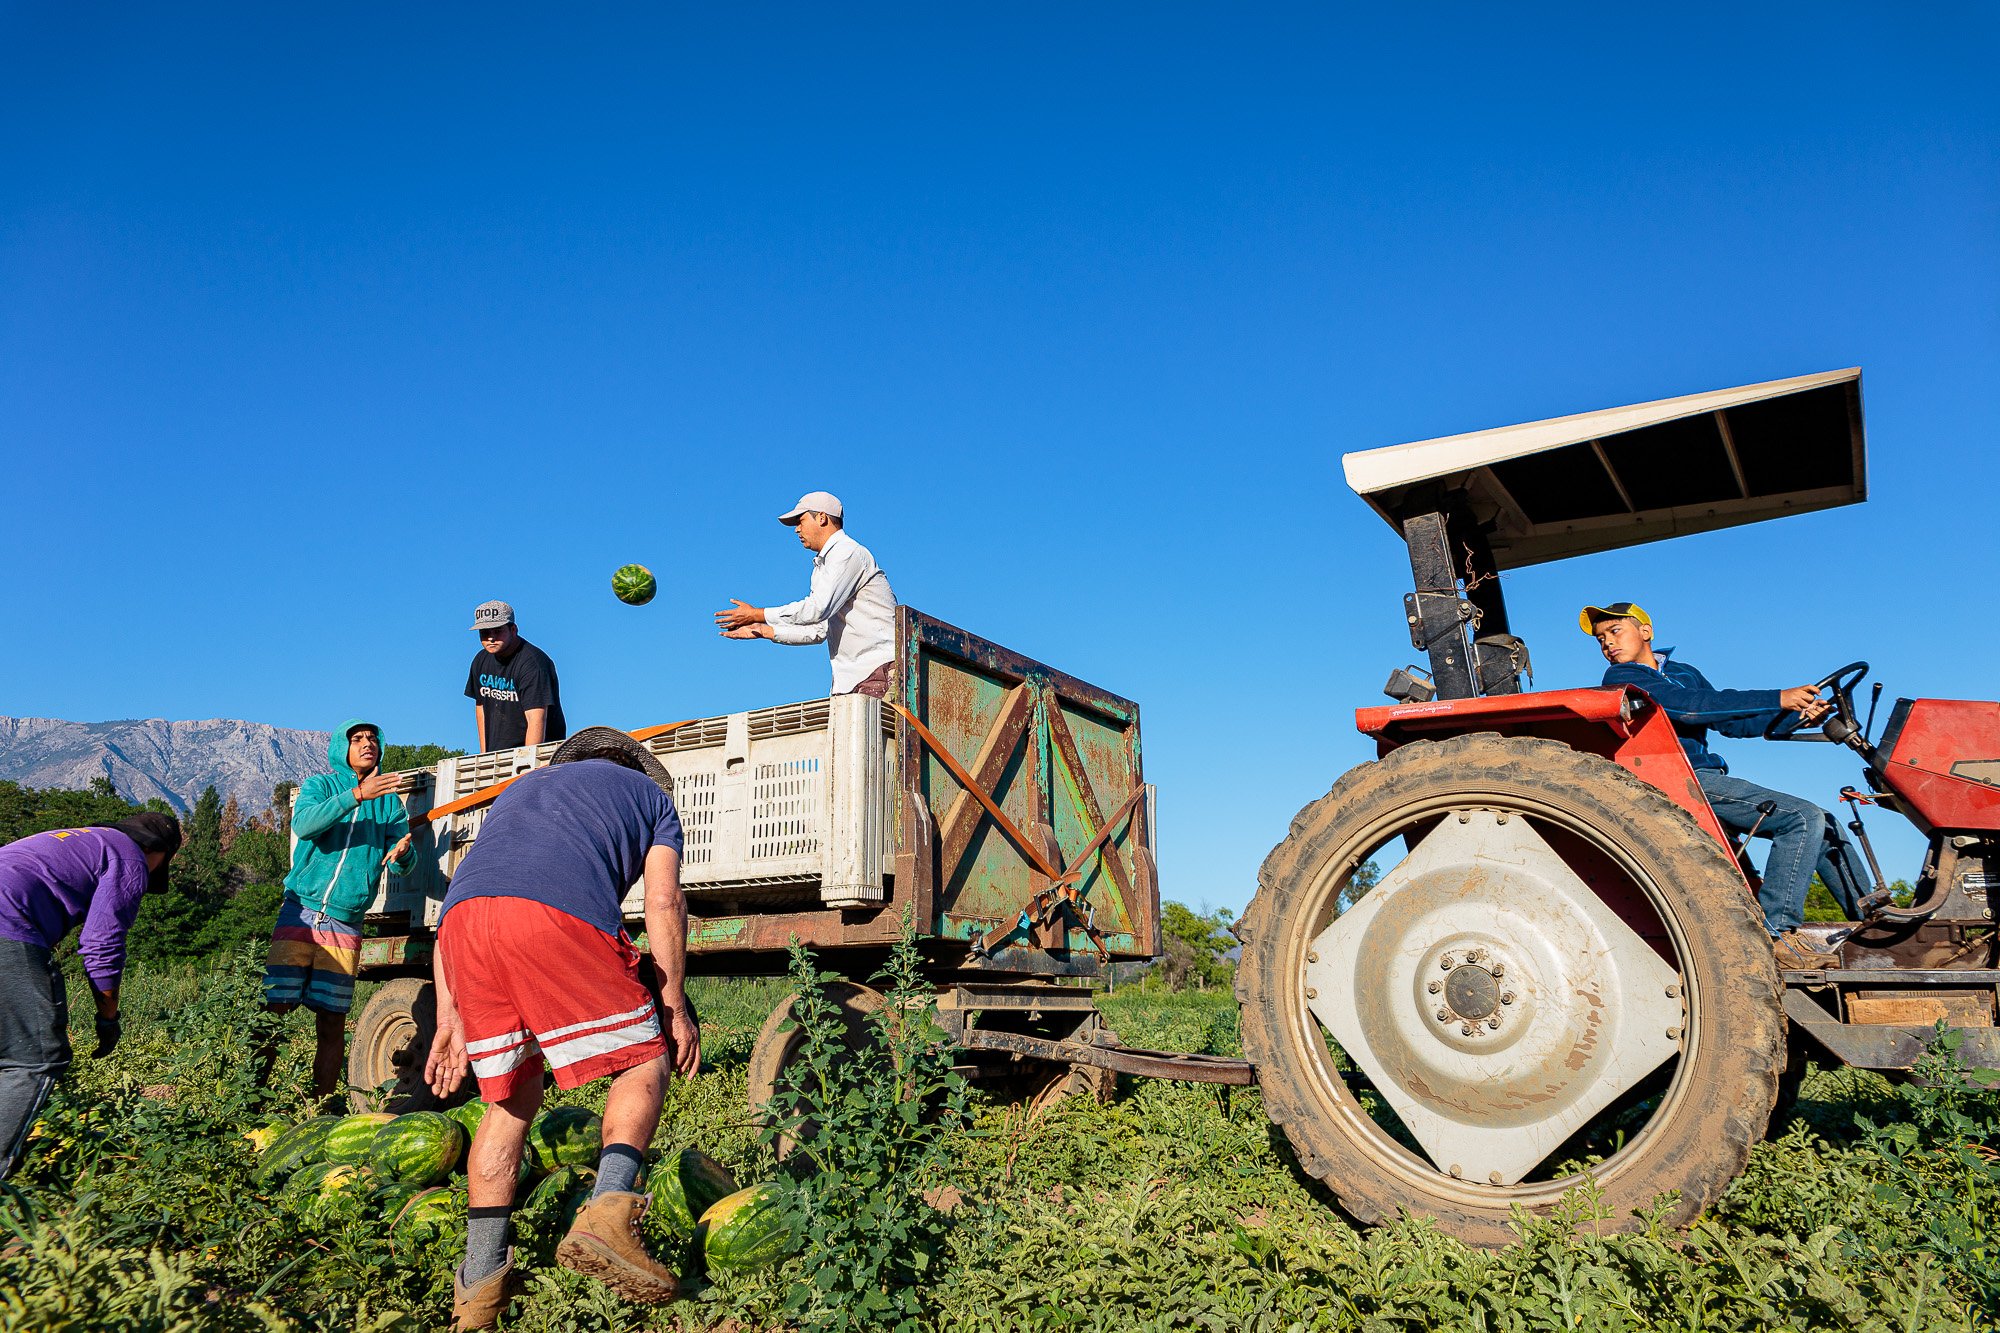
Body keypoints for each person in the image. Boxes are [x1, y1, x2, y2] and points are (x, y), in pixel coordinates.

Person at [423, 727, 701, 1331]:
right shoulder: (651, 798)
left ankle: (477, 1299)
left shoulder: (517, 793)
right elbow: (664, 901)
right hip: (553, 913)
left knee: (510, 1103)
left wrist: (449, 1018)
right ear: (633, 767)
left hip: (463, 930)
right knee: (643, 1057)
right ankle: (607, 1211)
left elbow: (461, 901)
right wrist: (674, 1000)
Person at [1583, 601, 1871, 969]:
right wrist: (1776, 697)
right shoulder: (1623, 678)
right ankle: (1776, 937)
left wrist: (1792, 714)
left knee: (1825, 824)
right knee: (1800, 817)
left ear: (1645, 631)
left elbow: (1731, 722)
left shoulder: (1683, 672)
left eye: (1614, 631)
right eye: (1601, 638)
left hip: (1709, 778)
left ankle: (1874, 925)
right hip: (1676, 780)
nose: (1607, 643)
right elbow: (1691, 708)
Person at [0, 811, 183, 1180]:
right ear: (159, 852)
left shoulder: (78, 839)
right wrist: (108, 1017)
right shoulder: (130, 857)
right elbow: (101, 944)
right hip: (6, 925)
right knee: (34, 1061)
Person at [259, 719, 415, 1102]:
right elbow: (306, 824)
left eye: (372, 739)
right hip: (301, 912)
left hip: (346, 922)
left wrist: (403, 854)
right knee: (272, 1012)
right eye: (357, 739)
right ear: (339, 748)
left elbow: (399, 861)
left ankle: (320, 1108)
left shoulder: (390, 803)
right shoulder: (320, 786)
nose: (367, 744)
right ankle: (251, 1099)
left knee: (331, 1022)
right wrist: (356, 796)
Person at [713, 490, 897, 698]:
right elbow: (819, 629)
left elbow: (817, 609)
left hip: (877, 669)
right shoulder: (823, 565)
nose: (797, 530)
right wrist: (765, 630)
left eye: (800, 521)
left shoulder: (847, 553)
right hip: (852, 679)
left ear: (821, 517)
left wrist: (757, 614)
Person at [465, 600, 567, 753]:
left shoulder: (533, 664)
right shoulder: (480, 660)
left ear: (513, 629)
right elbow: (481, 707)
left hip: (541, 756)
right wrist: (484, 755)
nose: (491, 638)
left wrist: (528, 765)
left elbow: (537, 718)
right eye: (485, 632)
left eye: (497, 630)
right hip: (499, 756)